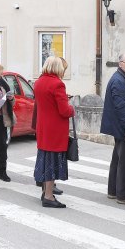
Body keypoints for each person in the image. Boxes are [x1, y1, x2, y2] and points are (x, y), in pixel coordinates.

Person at [33, 56, 74, 208]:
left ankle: (45, 192)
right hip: (55, 129)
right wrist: (72, 108)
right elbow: (64, 111)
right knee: (52, 163)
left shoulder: (39, 82)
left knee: (45, 161)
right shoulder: (58, 84)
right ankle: (49, 196)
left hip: (43, 127)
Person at [101, 53, 125, 205]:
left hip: (119, 125)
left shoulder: (124, 79)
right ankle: (123, 195)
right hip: (122, 126)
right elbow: (121, 107)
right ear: (120, 64)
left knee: (117, 158)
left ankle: (113, 191)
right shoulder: (119, 81)